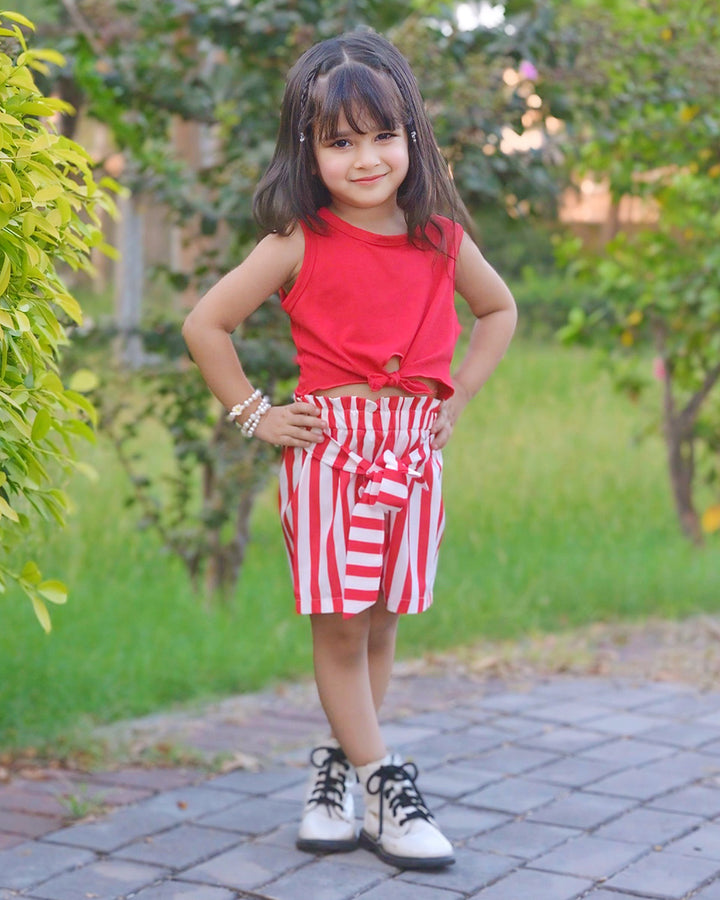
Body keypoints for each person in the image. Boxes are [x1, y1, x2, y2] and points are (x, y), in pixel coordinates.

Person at [182, 30, 517, 871]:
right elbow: (206, 324)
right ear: (311, 148)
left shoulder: (439, 236)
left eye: (382, 136)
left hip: (412, 455)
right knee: (338, 628)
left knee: (378, 622)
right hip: (333, 455)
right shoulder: (300, 239)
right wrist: (255, 414)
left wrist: (460, 398)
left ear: (411, 136)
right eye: (341, 142)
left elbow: (500, 311)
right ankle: (384, 781)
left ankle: (337, 767)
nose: (366, 159)